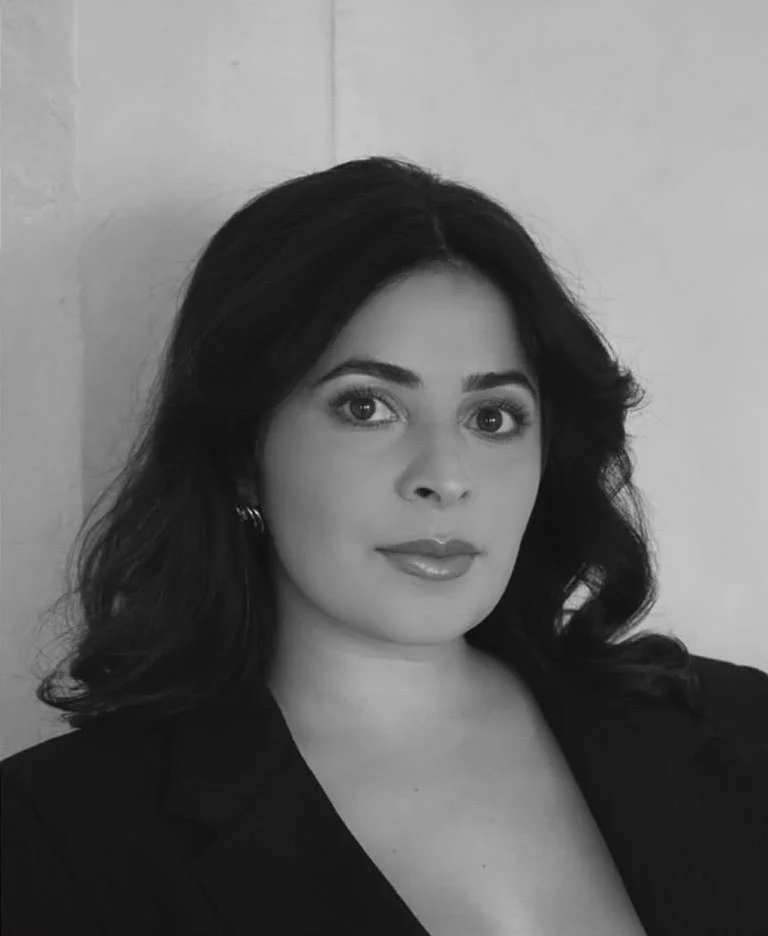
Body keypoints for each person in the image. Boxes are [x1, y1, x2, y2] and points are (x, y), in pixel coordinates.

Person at [2, 156, 766, 936]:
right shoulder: (55, 842)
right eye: (367, 407)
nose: (445, 477)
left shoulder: (742, 727)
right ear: (242, 456)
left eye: (492, 417)